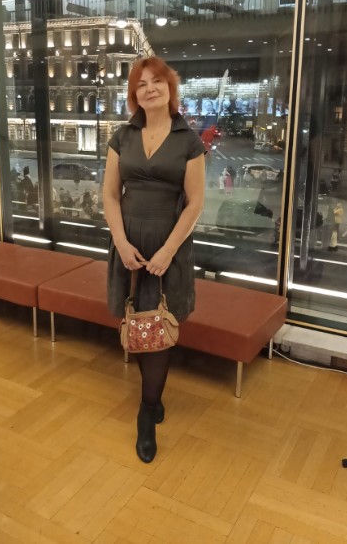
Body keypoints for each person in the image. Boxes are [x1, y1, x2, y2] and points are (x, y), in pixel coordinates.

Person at [103, 56, 206, 464]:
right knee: (137, 321)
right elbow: (110, 194)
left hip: (169, 245)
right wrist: (120, 241)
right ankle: (153, 399)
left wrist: (168, 250)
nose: (150, 89)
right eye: (141, 84)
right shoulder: (122, 136)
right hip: (128, 243)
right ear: (134, 94)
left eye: (157, 81)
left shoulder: (188, 140)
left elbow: (195, 203)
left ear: (170, 87)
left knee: (158, 325)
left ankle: (147, 410)